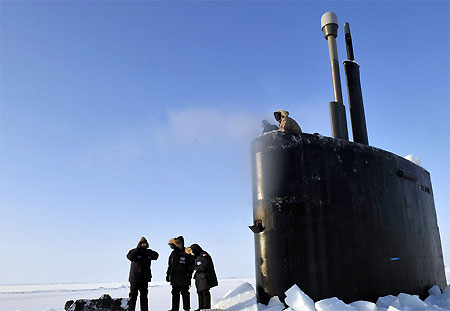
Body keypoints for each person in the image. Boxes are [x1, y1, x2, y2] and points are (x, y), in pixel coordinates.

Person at [127, 237, 159, 311]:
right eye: (142, 244)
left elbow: (156, 256)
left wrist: (148, 253)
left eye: (145, 244)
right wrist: (137, 250)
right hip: (134, 278)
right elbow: (129, 256)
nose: (144, 245)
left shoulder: (148, 252)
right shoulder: (134, 252)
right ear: (139, 244)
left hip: (144, 278)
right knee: (133, 296)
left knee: (144, 297)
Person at [166, 236, 195, 311]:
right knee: (175, 294)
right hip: (174, 278)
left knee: (185, 294)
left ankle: (186, 309)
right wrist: (168, 275)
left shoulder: (186, 252)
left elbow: (191, 264)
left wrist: (189, 274)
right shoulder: (173, 253)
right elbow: (170, 266)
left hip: (184, 278)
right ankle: (174, 309)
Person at [189, 244, 218, 311]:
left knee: (205, 293)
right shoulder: (197, 257)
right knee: (200, 293)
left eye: (192, 251)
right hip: (199, 279)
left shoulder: (204, 255)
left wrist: (196, 268)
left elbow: (205, 265)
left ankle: (206, 308)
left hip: (205, 278)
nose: (192, 253)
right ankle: (201, 307)